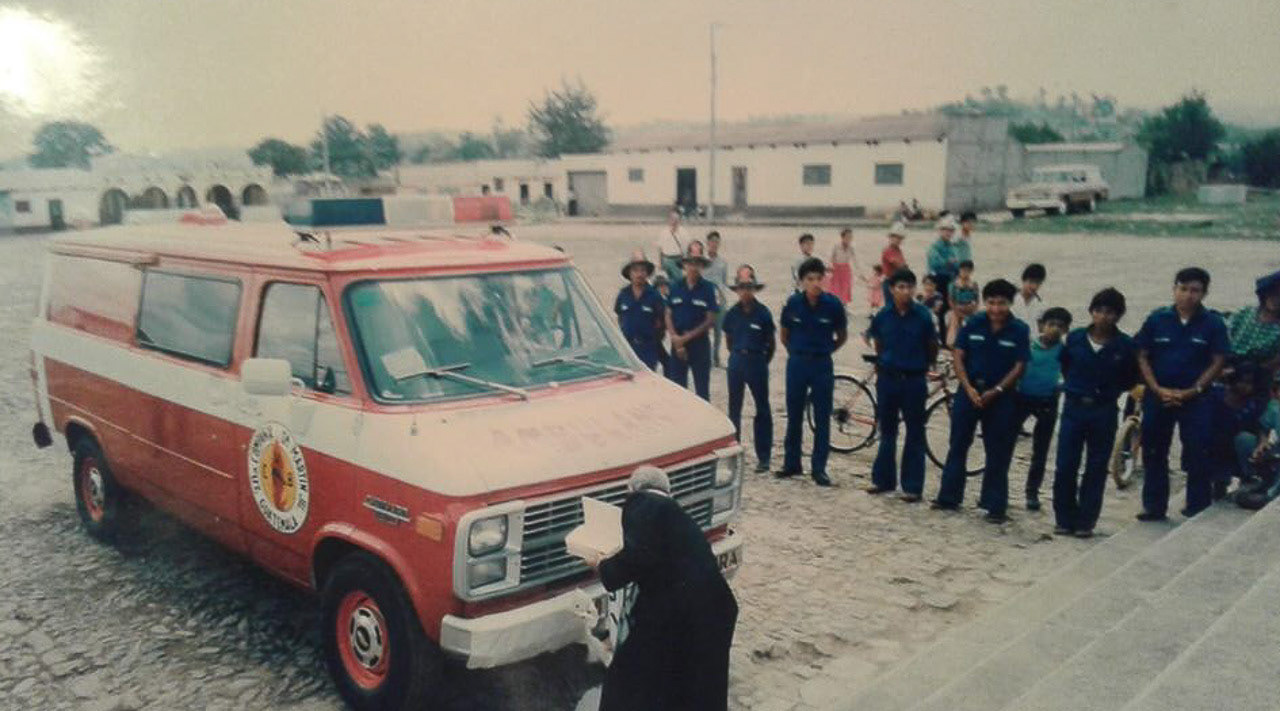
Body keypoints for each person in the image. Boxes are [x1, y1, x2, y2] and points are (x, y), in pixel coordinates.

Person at [594, 466, 738, 711]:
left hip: (677, 613)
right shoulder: (673, 514)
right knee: (696, 690)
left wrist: (602, 565)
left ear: (632, 490)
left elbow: (637, 557)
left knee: (628, 679)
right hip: (714, 610)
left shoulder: (643, 503)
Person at [1134, 267, 1230, 521]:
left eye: (1195, 290)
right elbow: (1142, 355)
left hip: (1197, 398)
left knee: (1198, 450)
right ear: (1174, 289)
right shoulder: (1157, 319)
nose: (1188, 295)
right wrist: (1155, 388)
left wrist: (1194, 390)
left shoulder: (1213, 323)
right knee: (1154, 450)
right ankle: (1154, 506)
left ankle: (1197, 505)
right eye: (1183, 288)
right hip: (1159, 395)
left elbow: (1218, 360)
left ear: (1204, 293)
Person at [932, 279, 1030, 523]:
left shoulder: (1019, 330)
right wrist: (967, 388)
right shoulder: (974, 323)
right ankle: (949, 497)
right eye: (992, 303)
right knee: (958, 445)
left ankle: (994, 504)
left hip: (1001, 396)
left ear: (1010, 303)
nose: (996, 309)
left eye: (1002, 303)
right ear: (985, 302)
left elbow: (1020, 366)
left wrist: (996, 390)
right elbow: (958, 355)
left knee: (998, 451)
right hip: (970, 392)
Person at [1052, 289, 1139, 537]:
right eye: (1098, 310)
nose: (1103, 317)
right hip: (1074, 407)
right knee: (1066, 464)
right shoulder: (1076, 339)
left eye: (1110, 312)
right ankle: (1064, 518)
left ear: (1118, 316)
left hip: (1103, 410)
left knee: (1096, 466)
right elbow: (1066, 366)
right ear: (1091, 312)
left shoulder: (1124, 346)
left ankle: (1085, 521)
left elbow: (1129, 379)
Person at [866, 268, 939, 501]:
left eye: (909, 287)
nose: (905, 291)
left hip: (914, 380)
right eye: (900, 287)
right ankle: (883, 481)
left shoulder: (924, 316)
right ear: (891, 289)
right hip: (888, 379)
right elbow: (878, 343)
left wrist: (923, 365)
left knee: (915, 432)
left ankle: (912, 486)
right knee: (887, 431)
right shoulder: (883, 315)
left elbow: (931, 347)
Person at [778, 257, 848, 487]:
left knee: (821, 418)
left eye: (819, 278)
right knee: (794, 414)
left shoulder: (833, 305)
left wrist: (825, 351)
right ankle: (791, 463)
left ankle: (819, 469)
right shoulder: (793, 304)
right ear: (802, 281)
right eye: (810, 279)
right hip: (797, 363)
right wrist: (797, 353)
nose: (816, 283)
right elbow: (784, 334)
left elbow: (842, 336)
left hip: (821, 365)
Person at [1017, 306, 1072, 511]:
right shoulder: (1029, 346)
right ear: (1042, 325)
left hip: (1047, 401)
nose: (1055, 329)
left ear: (1066, 330)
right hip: (1022, 398)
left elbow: (1069, 375)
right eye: (1051, 324)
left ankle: (1032, 492)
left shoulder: (1064, 352)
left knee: (1040, 451)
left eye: (1060, 326)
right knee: (1003, 444)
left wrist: (1060, 386)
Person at [722, 265, 776, 473]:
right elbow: (728, 341)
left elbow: (771, 343)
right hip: (737, 361)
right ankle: (734, 454)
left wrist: (760, 360)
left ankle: (764, 457)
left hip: (757, 362)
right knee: (734, 409)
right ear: (737, 289)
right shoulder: (731, 314)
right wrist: (738, 355)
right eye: (742, 287)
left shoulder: (763, 313)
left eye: (749, 286)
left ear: (754, 288)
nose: (745, 291)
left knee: (762, 409)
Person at [665, 241, 719, 400]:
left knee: (702, 392)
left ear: (702, 265)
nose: (694, 267)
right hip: (677, 345)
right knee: (678, 392)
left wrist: (685, 339)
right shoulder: (675, 286)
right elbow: (668, 313)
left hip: (699, 346)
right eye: (691, 262)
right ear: (685, 263)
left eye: (698, 263)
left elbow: (710, 320)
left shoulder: (709, 288)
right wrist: (675, 338)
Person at [1205, 363, 1267, 496]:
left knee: (1244, 439)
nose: (1245, 387)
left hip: (1238, 448)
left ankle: (1249, 478)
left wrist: (1261, 444)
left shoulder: (1252, 404)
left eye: (1250, 383)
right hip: (1215, 444)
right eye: (1243, 382)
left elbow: (1259, 427)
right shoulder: (1216, 396)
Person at [1234, 373, 1280, 509]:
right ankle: (1253, 479)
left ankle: (1271, 495)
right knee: (1243, 439)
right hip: (1276, 455)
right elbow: (1263, 427)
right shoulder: (1275, 408)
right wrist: (1262, 443)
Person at [614, 250, 666, 370]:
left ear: (647, 273)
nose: (639, 274)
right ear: (630, 273)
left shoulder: (654, 296)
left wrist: (653, 340)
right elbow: (620, 316)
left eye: (642, 270)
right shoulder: (623, 294)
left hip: (648, 349)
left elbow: (662, 322)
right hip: (628, 349)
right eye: (635, 270)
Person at [1227, 270, 1280, 374]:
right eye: (1273, 294)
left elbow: (1274, 363)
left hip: (1258, 373)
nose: (1276, 300)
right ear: (1264, 294)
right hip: (1227, 363)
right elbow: (1223, 338)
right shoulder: (1244, 313)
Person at [704, 231, 730, 368]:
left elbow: (724, 282)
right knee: (705, 330)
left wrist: (723, 299)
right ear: (707, 243)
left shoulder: (723, 262)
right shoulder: (702, 262)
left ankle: (716, 357)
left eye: (716, 242)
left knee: (718, 332)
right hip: (706, 301)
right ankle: (706, 357)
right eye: (712, 241)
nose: (714, 244)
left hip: (719, 300)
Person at [926, 216, 960, 310]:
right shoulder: (935, 246)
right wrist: (949, 262)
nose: (948, 233)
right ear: (940, 231)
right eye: (945, 230)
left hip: (950, 281)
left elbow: (957, 265)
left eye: (950, 230)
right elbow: (934, 263)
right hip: (937, 281)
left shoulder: (952, 247)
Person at [944, 261, 980, 348]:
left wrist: (974, 309)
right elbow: (950, 300)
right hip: (957, 307)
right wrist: (957, 311)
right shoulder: (953, 284)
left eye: (968, 271)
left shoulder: (974, 284)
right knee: (954, 321)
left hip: (970, 308)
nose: (965, 273)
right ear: (959, 270)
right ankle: (952, 344)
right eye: (963, 270)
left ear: (971, 271)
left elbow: (977, 299)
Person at [828, 228, 858, 304]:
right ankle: (835, 306)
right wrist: (830, 267)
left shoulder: (851, 248)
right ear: (842, 237)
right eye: (847, 237)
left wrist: (859, 273)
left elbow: (855, 261)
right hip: (836, 269)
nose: (849, 239)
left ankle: (844, 307)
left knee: (845, 289)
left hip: (846, 270)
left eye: (851, 237)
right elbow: (831, 258)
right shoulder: (836, 246)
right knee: (835, 289)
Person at [655, 210, 688, 282]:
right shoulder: (664, 232)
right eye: (672, 219)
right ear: (669, 220)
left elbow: (686, 249)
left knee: (678, 280)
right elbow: (660, 248)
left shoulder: (683, 232)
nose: (674, 222)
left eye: (676, 219)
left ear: (679, 220)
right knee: (666, 281)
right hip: (666, 259)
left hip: (678, 260)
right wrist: (659, 263)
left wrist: (685, 264)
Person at [880, 222, 909, 304]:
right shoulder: (887, 250)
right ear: (890, 237)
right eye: (896, 237)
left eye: (900, 238)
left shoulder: (898, 250)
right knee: (891, 305)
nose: (898, 240)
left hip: (897, 281)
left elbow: (903, 264)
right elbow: (898, 264)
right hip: (889, 281)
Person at [918, 275, 946, 341]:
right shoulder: (919, 296)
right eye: (926, 284)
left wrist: (927, 298)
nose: (928, 287)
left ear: (935, 285)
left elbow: (937, 309)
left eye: (931, 284)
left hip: (933, 318)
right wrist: (924, 298)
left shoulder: (938, 296)